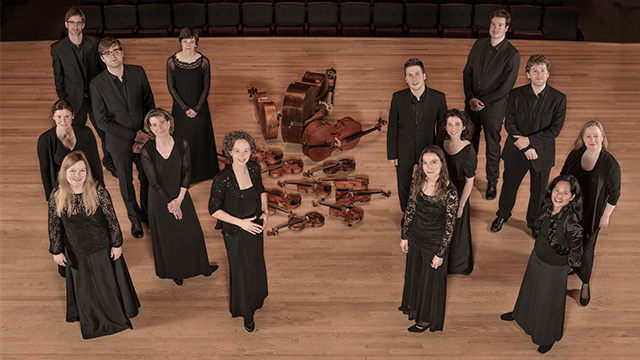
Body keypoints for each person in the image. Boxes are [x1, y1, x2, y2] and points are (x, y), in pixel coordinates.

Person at [48, 151, 140, 339]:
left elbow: (111, 219)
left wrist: (117, 244)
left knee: (107, 286)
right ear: (64, 172)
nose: (77, 175)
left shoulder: (98, 190)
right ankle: (89, 317)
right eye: (72, 171)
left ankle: (112, 316)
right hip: (76, 250)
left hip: (102, 247)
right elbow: (54, 225)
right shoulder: (57, 194)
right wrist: (56, 251)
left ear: (87, 172)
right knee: (85, 290)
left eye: (82, 170)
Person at [500, 175, 584, 354]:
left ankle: (547, 336)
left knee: (548, 303)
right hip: (537, 257)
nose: (559, 196)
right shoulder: (547, 208)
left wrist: (565, 269)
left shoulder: (571, 222)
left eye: (565, 193)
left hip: (555, 267)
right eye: (556, 190)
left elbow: (577, 252)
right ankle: (520, 316)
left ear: (573, 197)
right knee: (529, 290)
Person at [140, 108, 218, 286]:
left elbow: (187, 172)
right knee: (169, 236)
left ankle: (201, 266)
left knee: (193, 232)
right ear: (149, 128)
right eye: (154, 125)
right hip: (160, 200)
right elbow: (154, 183)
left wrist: (180, 200)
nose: (159, 127)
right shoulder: (147, 150)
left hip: (180, 193)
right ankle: (176, 271)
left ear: (169, 122)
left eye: (162, 122)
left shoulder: (182, 143)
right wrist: (171, 204)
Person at [491, 55, 567, 234]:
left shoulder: (559, 98)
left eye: (542, 70)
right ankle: (503, 215)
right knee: (509, 186)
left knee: (539, 192)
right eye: (535, 71)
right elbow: (509, 123)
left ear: (548, 73)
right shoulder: (516, 94)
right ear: (528, 74)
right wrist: (525, 147)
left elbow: (555, 129)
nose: (539, 74)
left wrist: (531, 142)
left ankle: (533, 222)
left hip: (542, 153)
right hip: (516, 151)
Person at [91, 37, 155, 238]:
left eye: (116, 51)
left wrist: (144, 133)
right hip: (119, 143)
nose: (113, 56)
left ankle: (147, 214)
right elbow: (102, 121)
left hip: (143, 138)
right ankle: (135, 220)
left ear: (122, 52)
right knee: (126, 184)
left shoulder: (138, 72)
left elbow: (149, 105)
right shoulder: (97, 84)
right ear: (102, 58)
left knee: (147, 178)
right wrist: (133, 136)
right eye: (108, 53)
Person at [209, 131, 269, 333]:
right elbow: (214, 210)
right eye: (237, 151)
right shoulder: (222, 179)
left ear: (251, 151)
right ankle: (247, 314)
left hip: (256, 225)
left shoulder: (253, 167)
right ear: (229, 152)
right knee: (241, 270)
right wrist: (241, 223)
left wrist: (265, 211)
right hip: (235, 231)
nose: (242, 155)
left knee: (255, 262)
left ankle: (258, 297)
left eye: (246, 150)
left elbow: (261, 190)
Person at [398, 145, 459, 332]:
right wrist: (404, 236)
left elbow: (450, 228)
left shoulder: (450, 193)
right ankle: (413, 307)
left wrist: (441, 253)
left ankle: (425, 320)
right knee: (415, 275)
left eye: (434, 162)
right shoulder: (418, 181)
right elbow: (410, 209)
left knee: (429, 283)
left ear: (442, 164)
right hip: (416, 237)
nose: (429, 167)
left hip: (434, 243)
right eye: (425, 163)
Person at [561, 121, 621, 306]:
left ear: (602, 137)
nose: (592, 140)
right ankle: (569, 266)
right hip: (571, 211)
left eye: (596, 136)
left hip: (592, 215)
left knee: (586, 251)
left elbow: (615, 193)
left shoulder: (610, 164)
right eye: (588, 136)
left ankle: (585, 283)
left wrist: (606, 216)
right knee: (568, 242)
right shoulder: (575, 154)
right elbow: (563, 177)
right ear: (583, 138)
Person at [463, 9, 520, 201]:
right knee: (469, 142)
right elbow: (467, 73)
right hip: (471, 104)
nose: (495, 29)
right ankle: (467, 177)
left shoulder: (512, 55)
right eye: (493, 24)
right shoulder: (478, 44)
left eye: (500, 25)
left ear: (507, 28)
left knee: (493, 147)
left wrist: (483, 103)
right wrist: (471, 97)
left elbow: (506, 88)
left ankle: (492, 182)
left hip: (493, 109)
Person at [50, 7, 113, 176]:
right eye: (72, 23)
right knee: (74, 136)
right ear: (66, 24)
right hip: (73, 100)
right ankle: (77, 166)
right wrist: (65, 102)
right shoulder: (57, 48)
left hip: (95, 98)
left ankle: (110, 162)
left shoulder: (95, 43)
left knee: (104, 132)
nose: (75, 26)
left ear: (83, 24)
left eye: (78, 23)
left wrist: (105, 95)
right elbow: (59, 77)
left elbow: (102, 72)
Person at [387, 58, 448, 212]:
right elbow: (392, 127)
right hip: (403, 149)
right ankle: (406, 213)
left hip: (428, 148)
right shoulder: (397, 98)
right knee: (403, 184)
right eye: (410, 75)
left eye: (417, 74)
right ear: (406, 79)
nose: (414, 79)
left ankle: (423, 212)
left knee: (428, 183)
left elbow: (442, 128)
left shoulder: (438, 98)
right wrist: (392, 154)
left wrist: (440, 154)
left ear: (424, 76)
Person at [166, 27, 220, 184]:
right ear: (180, 43)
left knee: (200, 138)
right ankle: (184, 173)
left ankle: (203, 174)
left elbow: (206, 87)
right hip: (180, 108)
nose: (188, 45)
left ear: (196, 43)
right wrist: (185, 108)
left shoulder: (204, 62)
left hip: (200, 108)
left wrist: (197, 108)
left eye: (191, 41)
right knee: (182, 140)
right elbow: (171, 87)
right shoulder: (171, 62)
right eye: (185, 41)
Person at [38, 99, 103, 202]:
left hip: (85, 187)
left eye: (67, 116)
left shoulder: (86, 133)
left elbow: (95, 163)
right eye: (59, 117)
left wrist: (101, 190)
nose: (63, 121)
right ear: (53, 116)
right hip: (62, 190)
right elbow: (45, 171)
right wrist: (50, 198)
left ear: (73, 115)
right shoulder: (44, 140)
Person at [441, 109, 476, 275]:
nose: (453, 128)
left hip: (460, 193)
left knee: (457, 229)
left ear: (463, 127)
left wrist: (461, 206)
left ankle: (457, 265)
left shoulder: (468, 150)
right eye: (449, 124)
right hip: (442, 190)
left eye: (457, 124)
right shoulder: (442, 142)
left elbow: (470, 181)